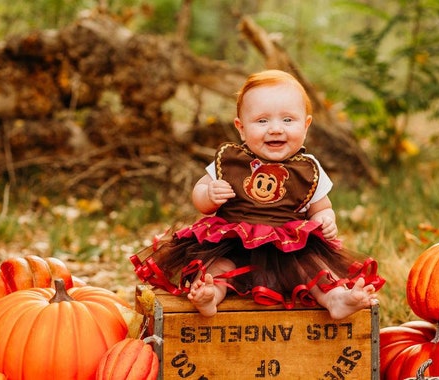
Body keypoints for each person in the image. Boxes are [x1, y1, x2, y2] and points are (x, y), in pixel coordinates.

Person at [130, 69, 385, 319]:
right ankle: (210, 295)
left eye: (288, 120)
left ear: (306, 125)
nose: (275, 129)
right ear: (241, 128)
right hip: (230, 242)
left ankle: (335, 299)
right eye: (262, 121)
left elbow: (321, 207)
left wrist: (325, 220)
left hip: (288, 247)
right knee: (215, 267)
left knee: (313, 268)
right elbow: (199, 198)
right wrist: (209, 193)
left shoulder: (308, 169)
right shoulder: (230, 161)